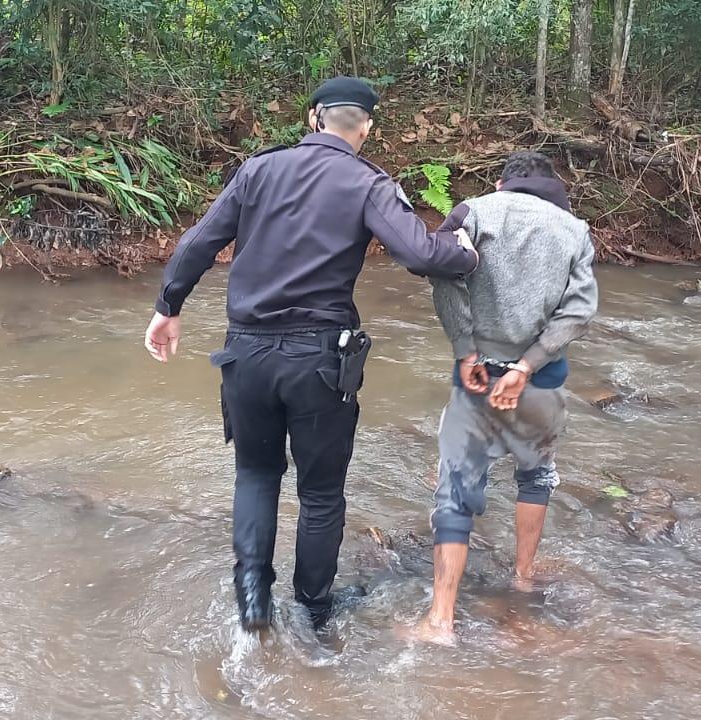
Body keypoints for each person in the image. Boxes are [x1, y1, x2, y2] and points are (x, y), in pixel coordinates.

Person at [142, 76, 478, 633]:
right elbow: (420, 254)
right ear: (366, 128)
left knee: (255, 474)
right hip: (320, 361)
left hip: (245, 353)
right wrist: (464, 252)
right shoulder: (368, 182)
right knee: (320, 493)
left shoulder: (258, 170)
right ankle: (314, 611)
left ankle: (253, 599)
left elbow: (198, 242)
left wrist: (167, 307)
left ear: (313, 117)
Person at [410, 151, 597, 645]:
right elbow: (579, 311)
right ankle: (523, 577)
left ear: (501, 183)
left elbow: (444, 273)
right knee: (535, 476)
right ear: (554, 186)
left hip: (476, 378)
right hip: (542, 382)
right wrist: (527, 365)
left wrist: (465, 349)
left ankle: (440, 621)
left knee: (455, 491)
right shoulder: (575, 230)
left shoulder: (474, 211)